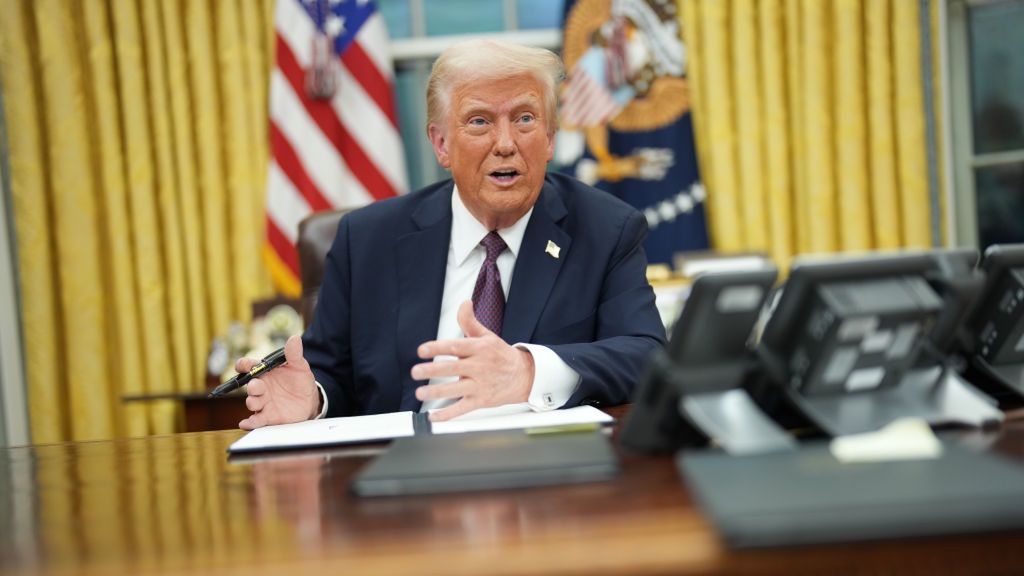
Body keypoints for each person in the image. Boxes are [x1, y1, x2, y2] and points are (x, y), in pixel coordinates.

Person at [238, 39, 666, 429]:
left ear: (551, 138)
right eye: (479, 121)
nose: (505, 143)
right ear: (441, 144)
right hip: (404, 479)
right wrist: (313, 400)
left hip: (545, 479)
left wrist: (530, 371)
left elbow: (647, 356)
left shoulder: (606, 230)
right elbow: (330, 370)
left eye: (525, 118)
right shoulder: (367, 240)